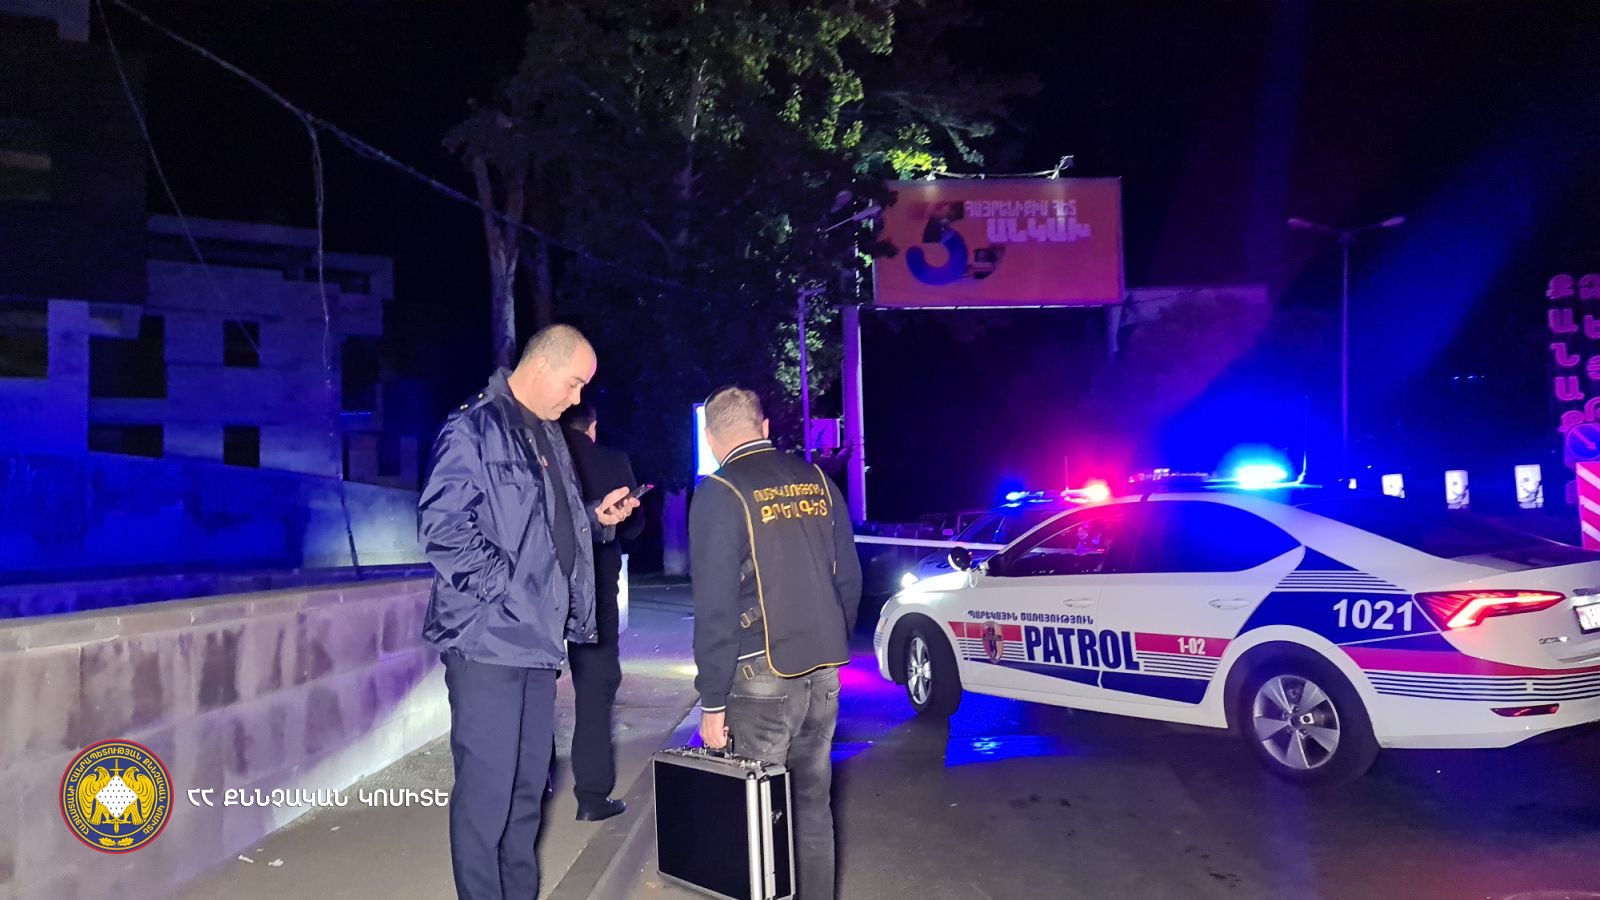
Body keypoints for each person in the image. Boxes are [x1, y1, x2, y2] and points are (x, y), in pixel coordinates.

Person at [419, 324, 639, 900]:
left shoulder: (546, 433)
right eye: (573, 384)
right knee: (487, 794)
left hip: (537, 640)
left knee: (525, 791)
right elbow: (442, 530)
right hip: (488, 641)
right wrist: (511, 590)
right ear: (541, 366)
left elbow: (544, 527)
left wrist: (594, 518)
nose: (577, 399)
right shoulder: (474, 427)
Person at [689, 385, 862, 900]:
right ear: (764, 428)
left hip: (760, 677)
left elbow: (715, 607)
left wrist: (712, 701)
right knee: (812, 807)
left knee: (757, 818)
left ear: (711, 439)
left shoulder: (721, 491)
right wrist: (831, 639)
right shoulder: (818, 481)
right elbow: (848, 579)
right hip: (823, 671)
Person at [558, 400, 645, 821]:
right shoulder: (612, 460)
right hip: (595, 589)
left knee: (531, 688)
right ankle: (592, 796)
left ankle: (531, 784)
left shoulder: (542, 459)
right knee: (595, 687)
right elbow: (635, 528)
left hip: (543, 587)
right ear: (592, 426)